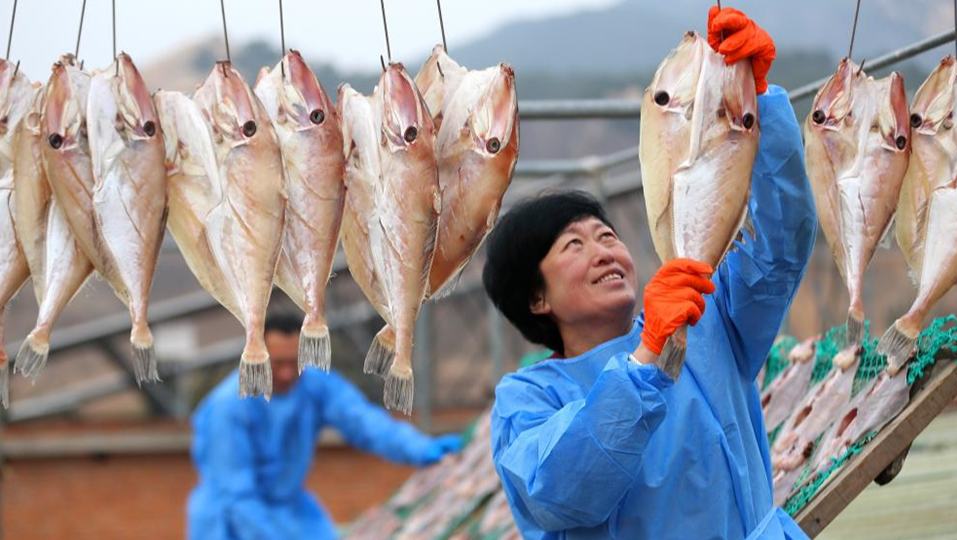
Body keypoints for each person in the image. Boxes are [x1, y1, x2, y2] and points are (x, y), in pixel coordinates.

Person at [482, 7, 817, 540]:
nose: (603, 252)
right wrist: (647, 359)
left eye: (606, 236)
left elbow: (780, 249)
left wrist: (757, 101)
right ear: (537, 298)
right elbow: (562, 490)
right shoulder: (527, 397)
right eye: (574, 245)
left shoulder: (706, 323)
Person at [187, 313, 462, 539]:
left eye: (294, 363)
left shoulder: (314, 385)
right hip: (230, 522)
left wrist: (420, 448)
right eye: (278, 364)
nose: (287, 374)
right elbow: (236, 495)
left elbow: (364, 421)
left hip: (291, 512)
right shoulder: (228, 407)